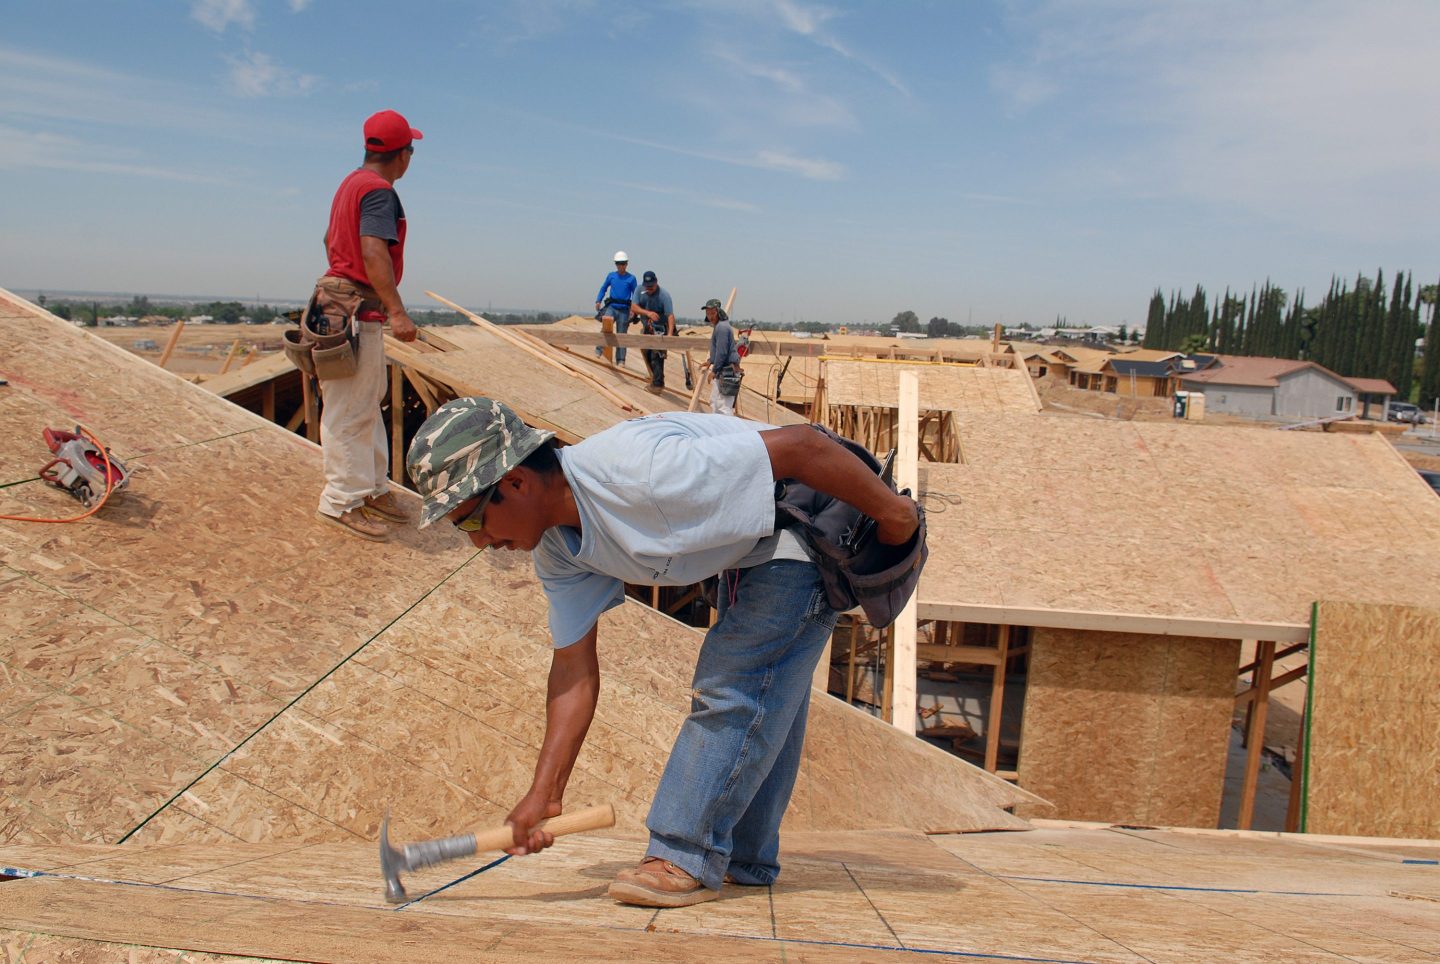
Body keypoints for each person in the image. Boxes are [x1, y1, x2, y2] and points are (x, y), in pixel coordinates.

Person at [405, 397, 919, 908]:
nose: (478, 543)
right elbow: (572, 671)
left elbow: (805, 447)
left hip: (812, 517)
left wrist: (897, 517)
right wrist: (546, 791)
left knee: (735, 681)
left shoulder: (640, 473)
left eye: (469, 522)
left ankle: (681, 853)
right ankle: (746, 858)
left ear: (516, 482)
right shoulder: (559, 548)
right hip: (749, 545)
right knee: (769, 691)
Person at [312, 109, 421, 541]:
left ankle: (372, 489)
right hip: (357, 309)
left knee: (365, 403)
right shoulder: (379, 192)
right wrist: (397, 310)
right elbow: (374, 251)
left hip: (341, 303)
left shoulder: (351, 184)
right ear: (404, 155)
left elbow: (328, 239)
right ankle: (340, 502)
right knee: (348, 410)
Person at [631, 270, 675, 394]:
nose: (649, 289)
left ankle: (657, 385)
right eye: (647, 287)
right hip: (647, 327)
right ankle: (656, 377)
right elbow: (633, 307)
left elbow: (670, 316)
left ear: (656, 283)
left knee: (657, 355)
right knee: (647, 353)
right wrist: (647, 313)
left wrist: (670, 335)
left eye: (652, 287)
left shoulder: (664, 295)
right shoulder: (640, 290)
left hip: (661, 328)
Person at [594, 252, 637, 366]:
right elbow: (603, 288)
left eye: (622, 263)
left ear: (626, 264)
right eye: (618, 263)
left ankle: (621, 360)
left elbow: (635, 295)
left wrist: (633, 309)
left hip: (624, 310)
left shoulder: (631, 279)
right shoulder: (611, 276)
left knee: (622, 335)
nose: (620, 266)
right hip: (612, 307)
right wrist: (598, 300)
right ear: (615, 264)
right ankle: (598, 350)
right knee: (605, 327)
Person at [701, 298, 741, 415]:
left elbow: (722, 352)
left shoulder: (722, 328)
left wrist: (714, 370)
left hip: (727, 371)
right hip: (723, 371)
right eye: (708, 314)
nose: (710, 316)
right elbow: (718, 350)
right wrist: (710, 361)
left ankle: (726, 431)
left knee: (724, 407)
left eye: (712, 313)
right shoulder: (719, 326)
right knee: (715, 403)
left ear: (718, 312)